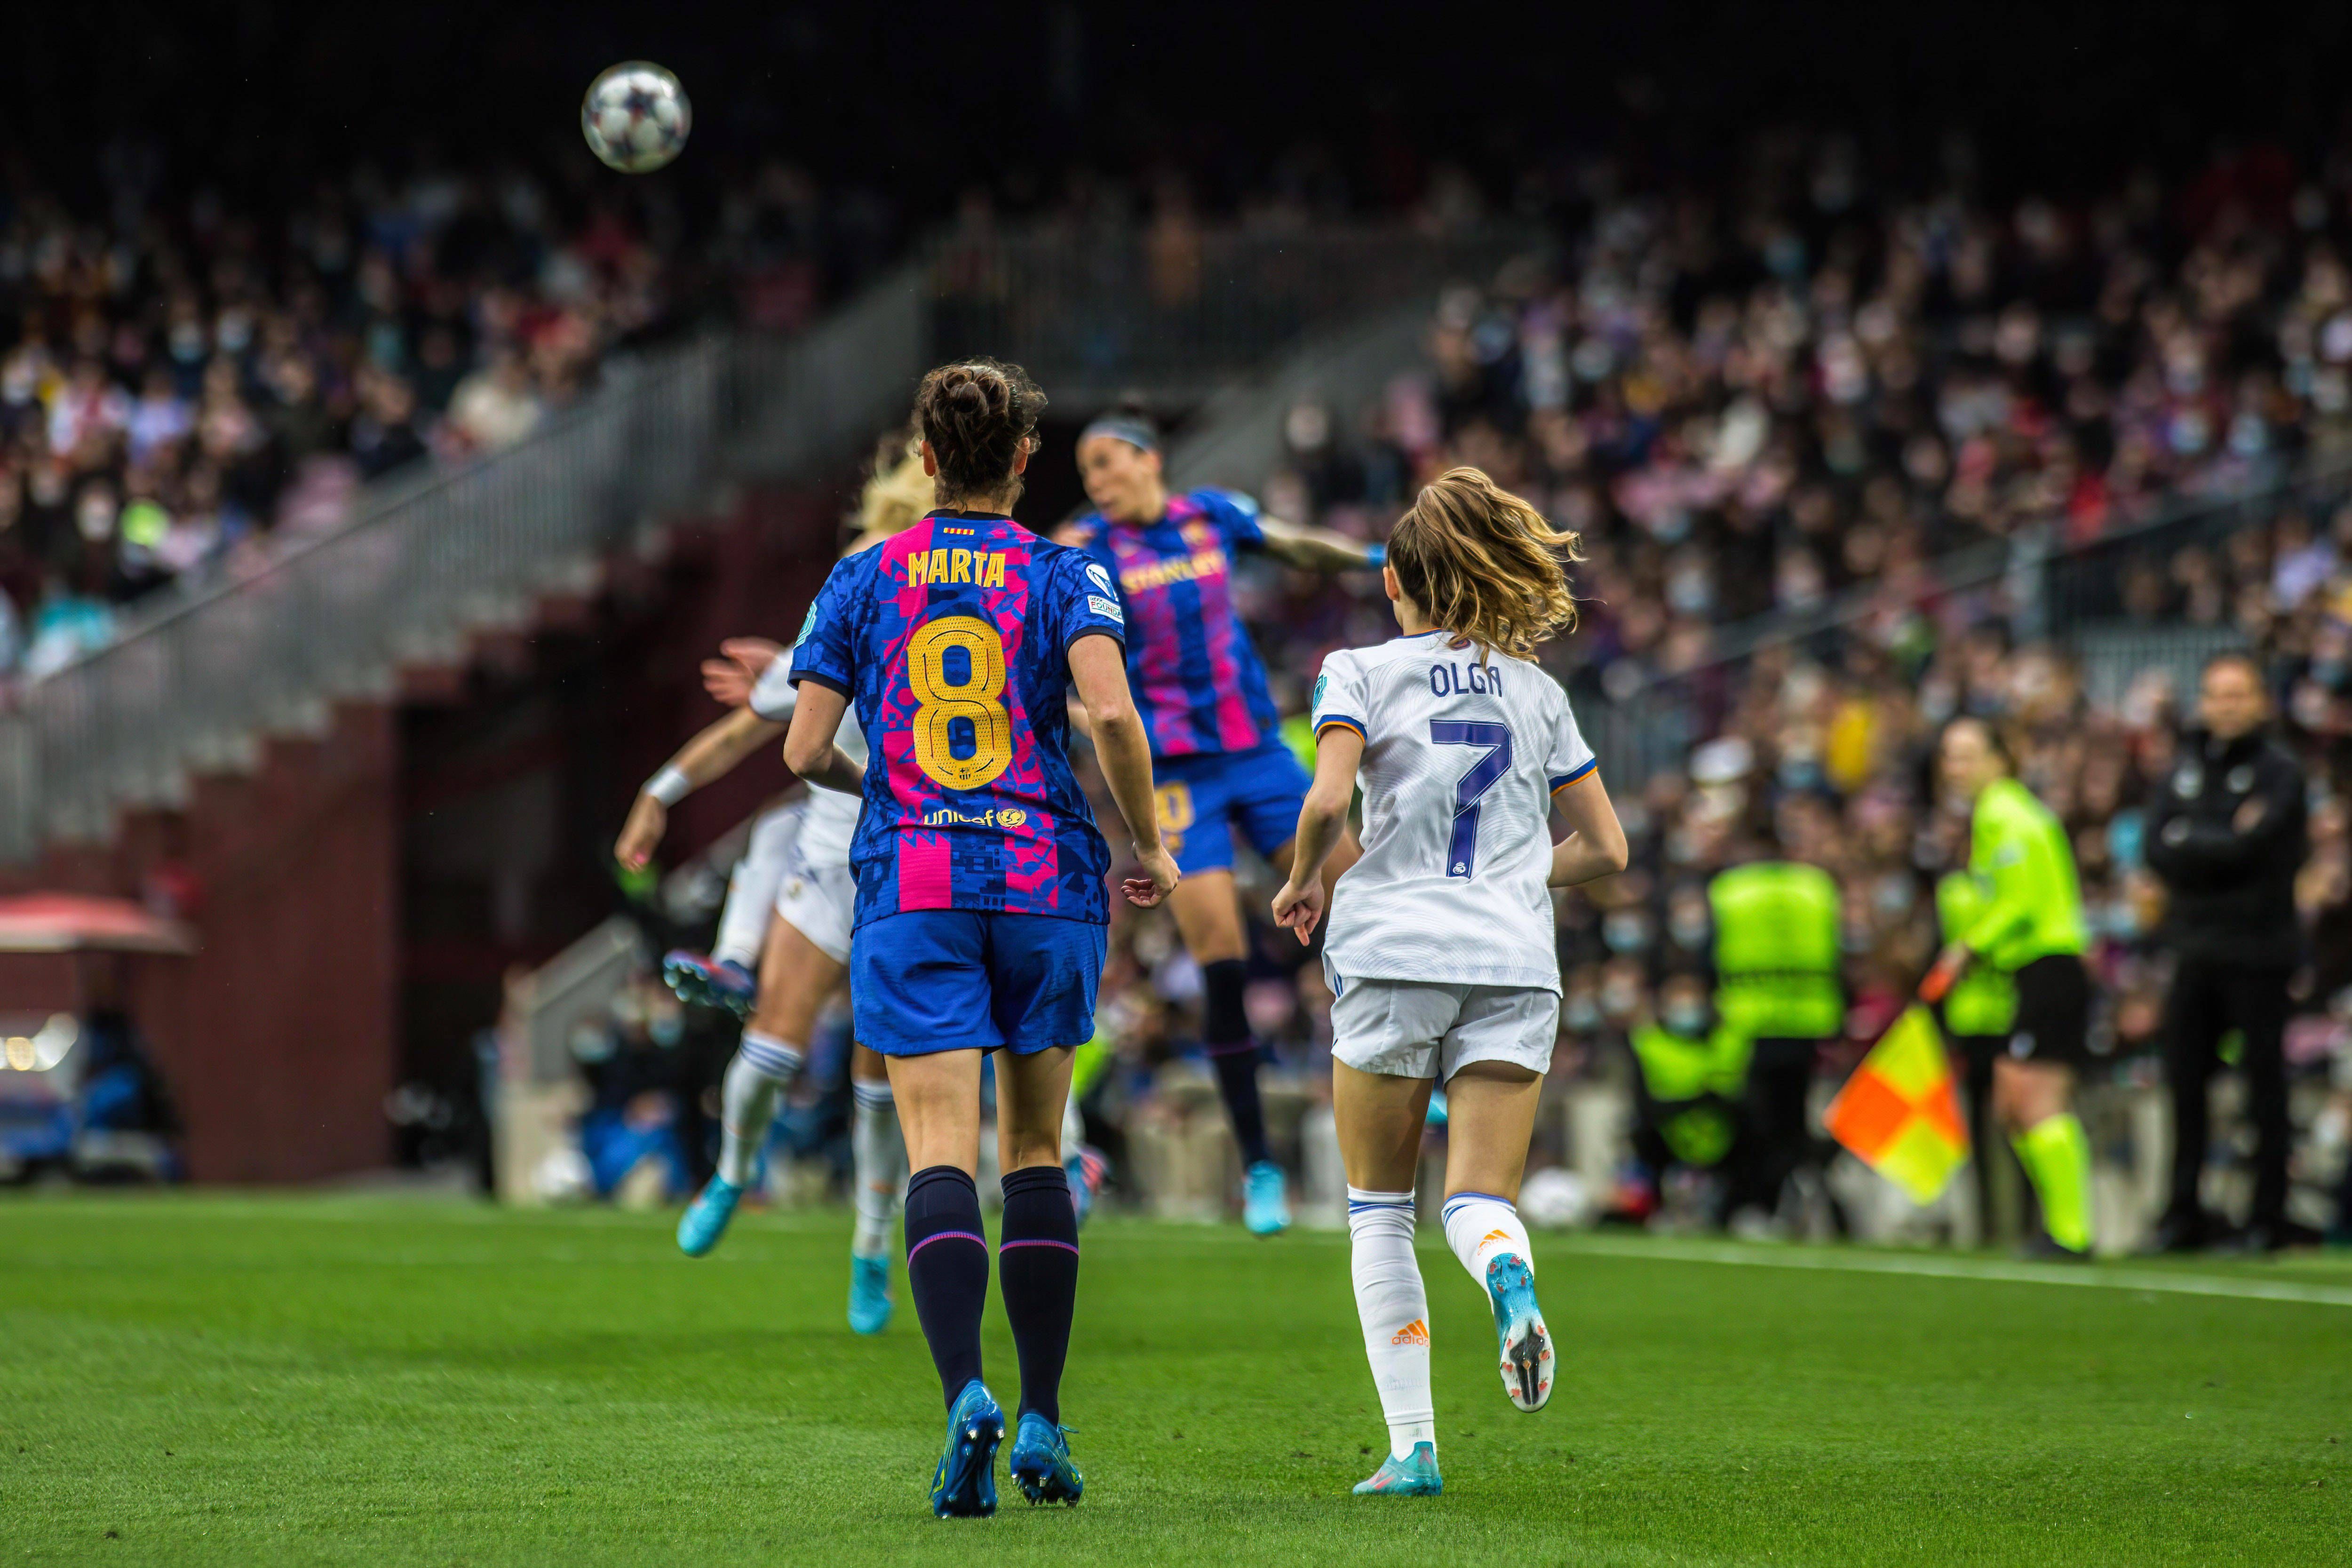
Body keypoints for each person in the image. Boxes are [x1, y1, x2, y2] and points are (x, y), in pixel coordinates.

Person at [783, 360, 1178, 1516]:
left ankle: (966, 1396)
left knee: (938, 1156)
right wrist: (1146, 845)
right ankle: (1046, 1417)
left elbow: (803, 752)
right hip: (1045, 876)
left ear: (922, 459)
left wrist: (882, 790)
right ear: (1022, 459)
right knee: (1036, 1151)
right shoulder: (1068, 571)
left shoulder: (862, 577)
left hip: (915, 881)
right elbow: (1108, 711)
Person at [1272, 467, 1627, 1499]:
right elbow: (1605, 847)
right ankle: (1508, 1275)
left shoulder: (1359, 670)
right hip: (1515, 962)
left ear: (1393, 579)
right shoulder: (1539, 691)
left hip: (1392, 954)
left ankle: (1414, 1446)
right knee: (1477, 1195)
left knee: (1380, 1210)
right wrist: (1516, 871)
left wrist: (1302, 881)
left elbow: (1327, 801)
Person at [612, 436, 932, 1339]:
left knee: (883, 1081)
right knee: (775, 1047)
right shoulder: (858, 596)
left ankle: (871, 1247)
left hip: (918, 868)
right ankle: (731, 1169)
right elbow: (750, 728)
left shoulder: (973, 605)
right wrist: (655, 795)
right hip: (838, 863)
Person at [1062, 401, 1379, 1234]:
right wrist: (1074, 711)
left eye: (1105, 463)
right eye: (1089, 471)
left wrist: (1378, 557)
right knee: (1220, 957)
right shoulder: (1086, 548)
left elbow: (1299, 544)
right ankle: (1260, 1164)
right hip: (1176, 775)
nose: (1096, 482)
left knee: (1367, 902)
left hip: (1257, 750)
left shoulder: (1212, 514)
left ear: (1147, 458)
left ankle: (1418, 1074)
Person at [2144, 652, 2311, 1253]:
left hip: (2257, 951)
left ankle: (2266, 1216)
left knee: (2262, 1086)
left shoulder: (2279, 772)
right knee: (2183, 1085)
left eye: (2237, 694)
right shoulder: (2183, 768)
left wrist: (2194, 841)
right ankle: (2181, 1213)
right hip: (2193, 949)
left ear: (2260, 701)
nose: (2225, 706)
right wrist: (2223, 841)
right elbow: (2155, 846)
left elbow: (2261, 849)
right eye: (2216, 694)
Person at [1920, 718, 2095, 1260]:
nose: (1957, 769)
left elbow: (2017, 902)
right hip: (2041, 969)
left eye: (1968, 755)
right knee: (2013, 1100)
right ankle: (2061, 1228)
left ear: (2000, 758)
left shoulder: (2003, 813)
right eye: (1950, 757)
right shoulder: (2011, 811)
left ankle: (2072, 1233)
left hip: (2048, 965)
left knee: (2033, 1098)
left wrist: (1964, 948)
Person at [1707, 845, 1843, 1229]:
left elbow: (1708, 957)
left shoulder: (1731, 892)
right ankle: (1792, 1204)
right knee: (1794, 1124)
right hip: (1806, 1025)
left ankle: (1758, 1205)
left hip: (1748, 1028)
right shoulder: (1818, 890)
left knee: (1756, 1123)